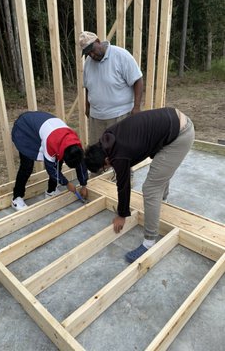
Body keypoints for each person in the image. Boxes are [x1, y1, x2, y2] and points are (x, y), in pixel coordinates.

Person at [84, 107, 195, 263]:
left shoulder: (118, 155)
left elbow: (123, 185)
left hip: (180, 135)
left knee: (150, 188)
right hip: (172, 123)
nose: (108, 169)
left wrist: (122, 214)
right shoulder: (107, 138)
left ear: (105, 161)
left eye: (104, 168)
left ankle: (149, 242)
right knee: (160, 170)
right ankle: (162, 201)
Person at [11, 111, 88, 211]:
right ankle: (16, 198)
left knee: (58, 161)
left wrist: (83, 185)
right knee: (27, 166)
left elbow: (80, 164)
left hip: (42, 126)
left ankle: (51, 191)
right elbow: (51, 168)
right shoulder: (51, 142)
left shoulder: (75, 144)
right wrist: (67, 183)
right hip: (24, 128)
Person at [79, 31, 143, 145]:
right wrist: (87, 106)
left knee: (119, 151)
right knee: (98, 153)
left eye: (92, 50)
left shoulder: (121, 55)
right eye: (88, 53)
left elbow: (137, 80)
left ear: (98, 42)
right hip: (96, 118)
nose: (92, 55)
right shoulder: (88, 63)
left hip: (120, 116)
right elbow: (88, 86)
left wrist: (137, 107)